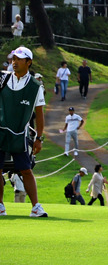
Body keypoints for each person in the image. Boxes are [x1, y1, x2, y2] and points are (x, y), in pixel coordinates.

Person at [0, 47, 49, 217]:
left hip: (20, 134)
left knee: (26, 170)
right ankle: (0, 206)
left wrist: (39, 138)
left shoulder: (36, 87)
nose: (14, 62)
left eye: (19, 59)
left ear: (29, 62)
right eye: (13, 58)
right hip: (0, 132)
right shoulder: (2, 78)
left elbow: (40, 113)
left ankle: (36, 207)